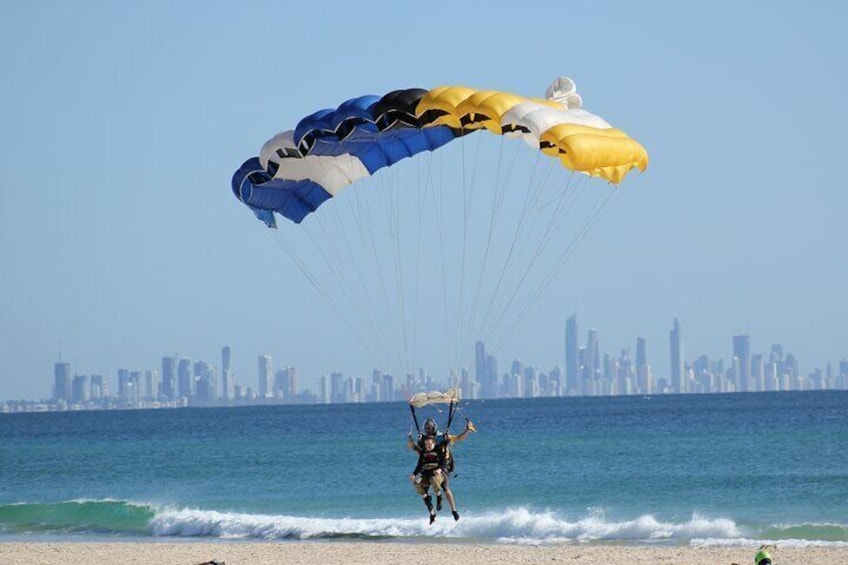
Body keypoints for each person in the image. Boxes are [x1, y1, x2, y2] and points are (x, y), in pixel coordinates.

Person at [407, 417, 476, 521]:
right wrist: (412, 446)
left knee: (445, 487)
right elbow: (421, 454)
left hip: (442, 466)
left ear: (434, 427)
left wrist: (467, 430)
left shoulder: (442, 437)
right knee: (422, 490)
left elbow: (458, 438)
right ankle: (432, 513)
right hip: (428, 466)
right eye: (426, 428)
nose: (428, 430)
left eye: (429, 428)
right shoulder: (424, 439)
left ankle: (454, 510)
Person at [409, 435, 446, 524]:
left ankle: (439, 496)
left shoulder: (439, 450)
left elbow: (443, 463)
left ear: (434, 443)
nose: (427, 446)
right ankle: (432, 513)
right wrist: (414, 474)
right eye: (426, 444)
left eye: (429, 444)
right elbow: (419, 465)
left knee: (433, 480)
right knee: (416, 484)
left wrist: (439, 469)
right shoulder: (423, 452)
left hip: (436, 474)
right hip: (425, 474)